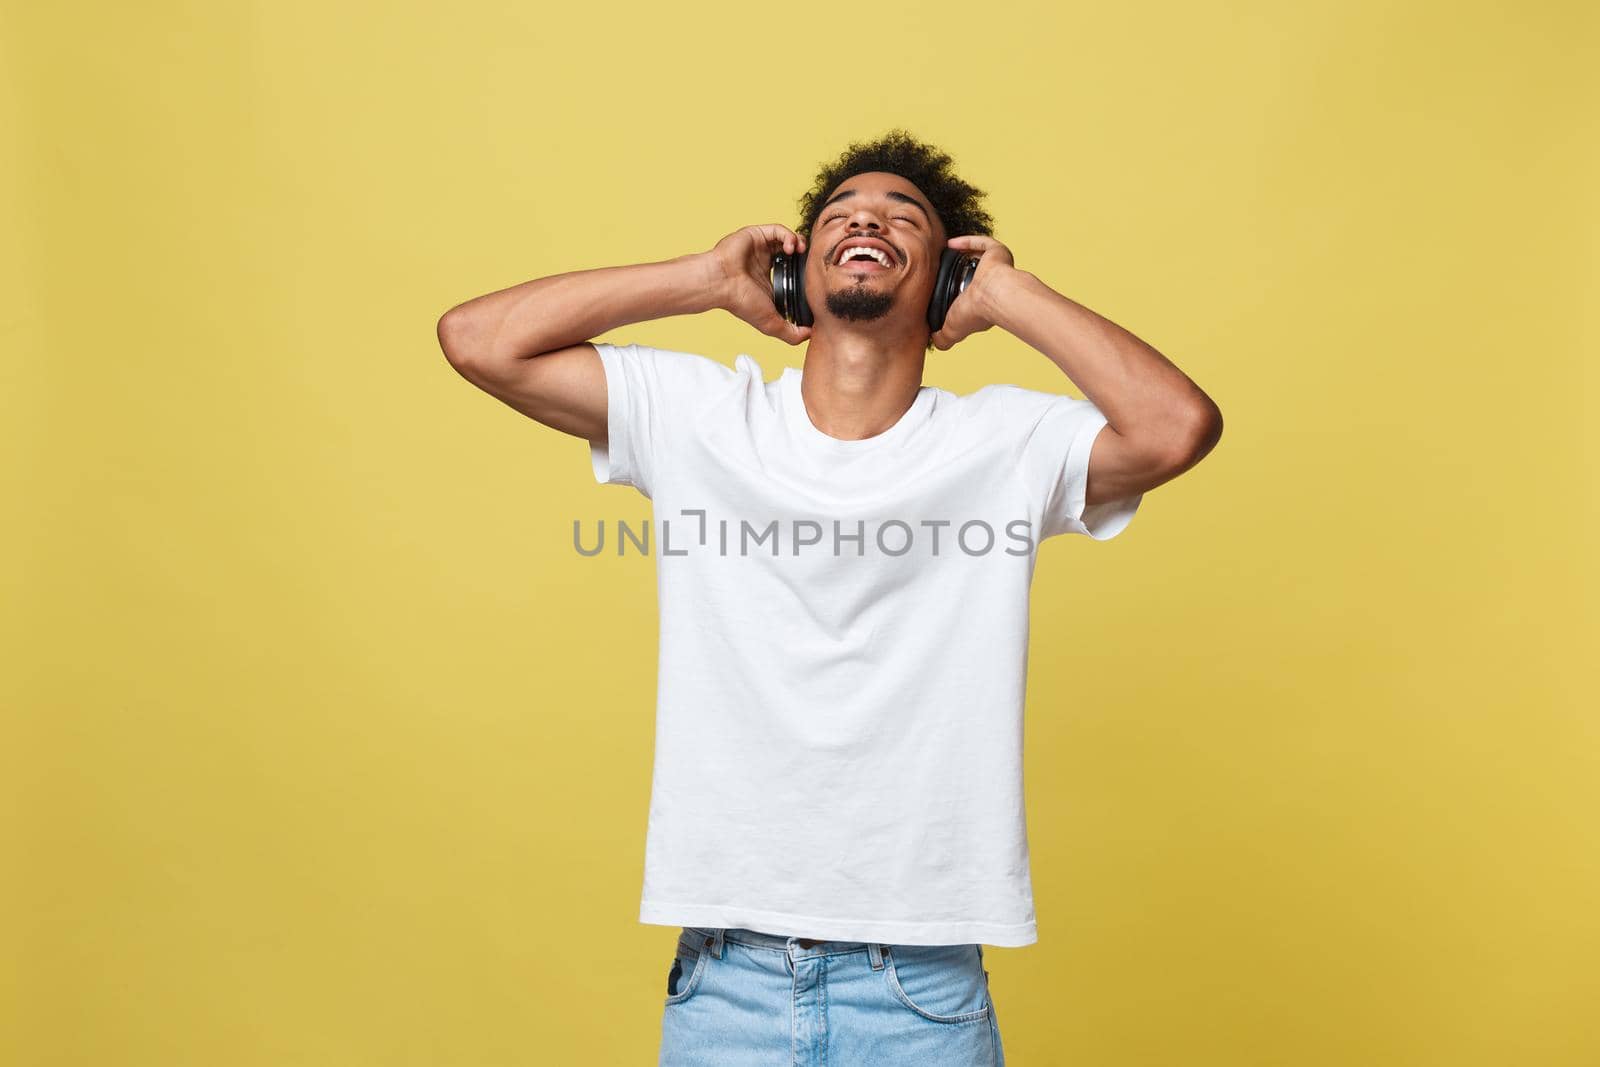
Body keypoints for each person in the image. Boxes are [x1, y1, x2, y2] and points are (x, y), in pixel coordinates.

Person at [436, 129, 1223, 1065]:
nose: (865, 220)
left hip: (920, 987)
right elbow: (477, 339)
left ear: (943, 288)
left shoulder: (1006, 444)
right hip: (727, 979)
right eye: (839, 215)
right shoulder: (698, 417)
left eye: (905, 219)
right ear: (792, 277)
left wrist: (1013, 295)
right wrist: (703, 278)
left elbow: (1178, 427)